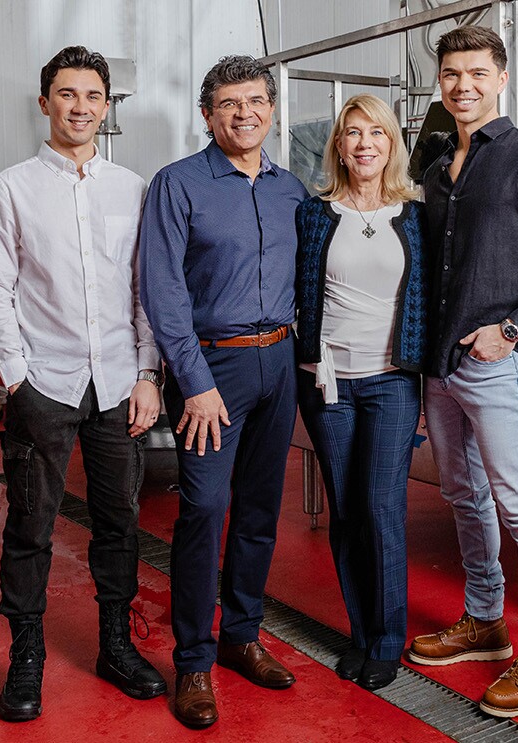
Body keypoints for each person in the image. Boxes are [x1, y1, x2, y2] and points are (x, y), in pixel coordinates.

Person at [0, 45, 167, 723]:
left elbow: (148, 291)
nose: (79, 107)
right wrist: (17, 377)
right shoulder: (12, 187)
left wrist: (147, 373)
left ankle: (115, 643)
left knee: (120, 523)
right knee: (31, 524)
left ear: (106, 106)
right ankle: (26, 656)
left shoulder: (134, 188)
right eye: (66, 94)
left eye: (92, 96)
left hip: (118, 383)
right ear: (44, 101)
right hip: (44, 384)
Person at [404, 25, 518, 720]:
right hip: (443, 367)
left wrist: (512, 330)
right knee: (464, 494)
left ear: (500, 77)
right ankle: (484, 618)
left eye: (476, 73)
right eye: (452, 74)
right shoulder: (436, 170)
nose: (462, 85)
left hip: (496, 363)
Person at [138, 54, 309, 729]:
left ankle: (242, 636)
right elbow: (163, 291)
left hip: (281, 363)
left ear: (271, 109)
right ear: (207, 114)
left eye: (257, 101)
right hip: (213, 369)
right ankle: (193, 660)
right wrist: (195, 382)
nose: (245, 113)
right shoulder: (177, 184)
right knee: (205, 508)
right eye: (231, 103)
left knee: (262, 510)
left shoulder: (290, 188)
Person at [293, 94, 427, 692]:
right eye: (353, 133)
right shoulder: (316, 214)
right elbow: (302, 291)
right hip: (328, 384)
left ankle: (386, 641)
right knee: (346, 510)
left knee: (380, 509)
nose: (364, 143)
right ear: (339, 147)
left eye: (376, 132)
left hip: (392, 381)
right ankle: (361, 632)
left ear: (391, 143)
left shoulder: (416, 215)